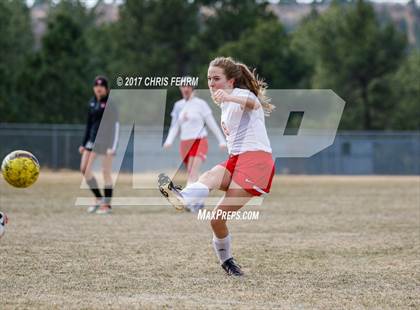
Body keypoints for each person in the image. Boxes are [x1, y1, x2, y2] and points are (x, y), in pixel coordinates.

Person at [158, 57, 275, 276]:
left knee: (217, 216)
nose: (211, 83)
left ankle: (228, 261)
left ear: (231, 80)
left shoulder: (240, 94)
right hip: (236, 159)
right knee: (211, 183)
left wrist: (230, 96)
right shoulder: (225, 102)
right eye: (209, 78)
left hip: (256, 163)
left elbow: (254, 103)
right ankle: (185, 198)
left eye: (216, 78)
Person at [163, 83, 226, 187]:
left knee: (193, 171)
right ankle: (196, 198)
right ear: (180, 88)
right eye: (183, 86)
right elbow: (174, 125)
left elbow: (211, 123)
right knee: (191, 172)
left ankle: (188, 196)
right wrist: (169, 141)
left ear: (192, 88)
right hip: (185, 142)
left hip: (199, 140)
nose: (186, 89)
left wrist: (222, 140)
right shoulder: (178, 105)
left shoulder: (201, 104)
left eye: (188, 86)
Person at [79, 76, 119, 215]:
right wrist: (83, 144)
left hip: (106, 142)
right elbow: (89, 125)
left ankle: (107, 205)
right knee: (84, 169)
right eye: (96, 86)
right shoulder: (92, 103)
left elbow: (116, 125)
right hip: (92, 141)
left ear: (107, 89)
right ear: (94, 88)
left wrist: (113, 146)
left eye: (102, 86)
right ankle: (98, 198)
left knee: (105, 172)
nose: (99, 88)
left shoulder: (110, 103)